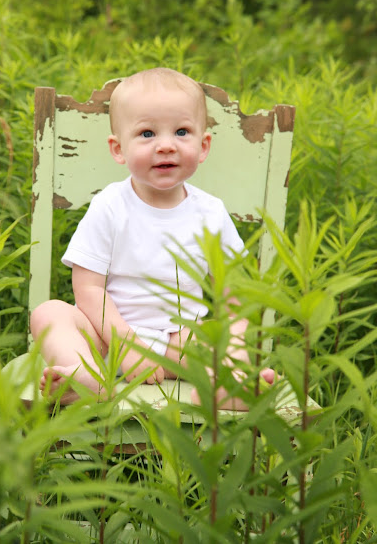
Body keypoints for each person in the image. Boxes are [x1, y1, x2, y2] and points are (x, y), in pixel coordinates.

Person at [30, 67, 274, 407]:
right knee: (49, 313)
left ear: (203, 147)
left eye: (181, 132)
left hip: (180, 341)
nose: (165, 146)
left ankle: (228, 386)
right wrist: (126, 345)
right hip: (107, 339)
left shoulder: (211, 213)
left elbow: (234, 294)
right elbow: (88, 289)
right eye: (147, 133)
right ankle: (84, 376)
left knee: (227, 332)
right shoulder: (109, 206)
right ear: (118, 149)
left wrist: (232, 340)